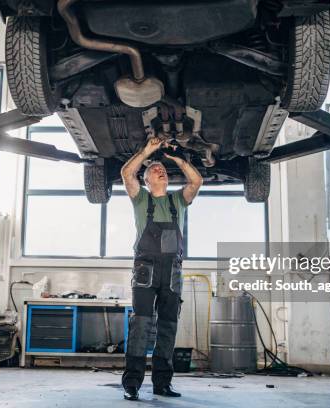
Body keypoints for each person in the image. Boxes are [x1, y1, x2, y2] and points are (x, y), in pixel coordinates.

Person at [120, 136, 203, 401]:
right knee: (141, 326)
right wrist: (148, 151)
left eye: (164, 170)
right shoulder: (141, 200)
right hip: (146, 269)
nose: (161, 171)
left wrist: (178, 159)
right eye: (155, 170)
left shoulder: (178, 201)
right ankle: (132, 383)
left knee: (167, 327)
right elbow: (126, 172)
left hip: (172, 271)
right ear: (147, 181)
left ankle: (162, 383)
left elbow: (196, 181)